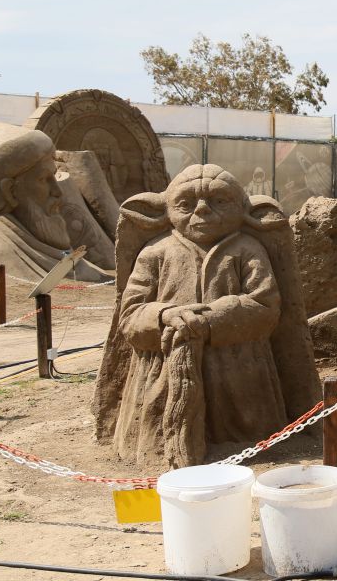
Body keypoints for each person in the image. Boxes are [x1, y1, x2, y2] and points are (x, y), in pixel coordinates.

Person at [106, 164, 319, 467]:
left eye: (219, 202)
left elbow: (266, 307)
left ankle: (240, 446)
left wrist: (209, 320)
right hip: (163, 370)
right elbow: (129, 315)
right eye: (186, 204)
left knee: (246, 434)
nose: (202, 211)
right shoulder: (155, 252)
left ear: (245, 209)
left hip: (239, 372)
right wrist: (166, 315)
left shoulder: (248, 249)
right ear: (163, 210)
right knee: (161, 418)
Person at [0, 122, 110, 281]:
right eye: (43, 179)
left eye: (54, 177)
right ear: (10, 191)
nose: (58, 192)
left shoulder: (42, 243)